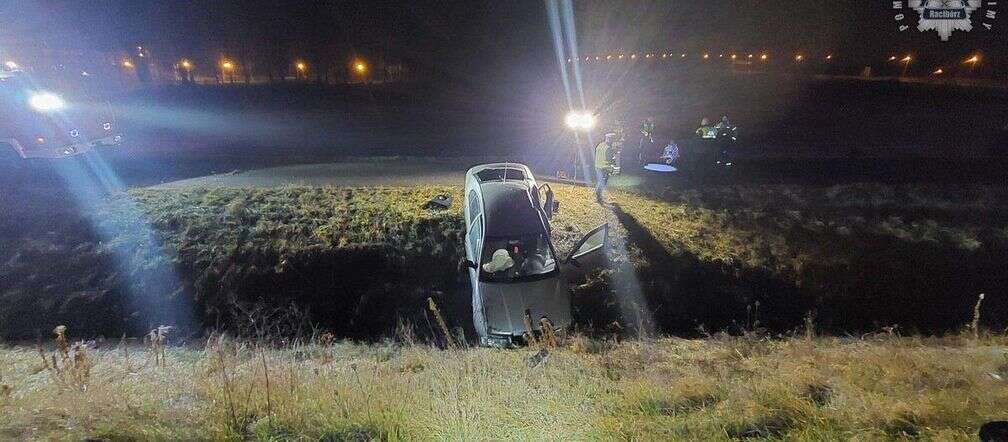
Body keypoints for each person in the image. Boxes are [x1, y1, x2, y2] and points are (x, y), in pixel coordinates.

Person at [594, 132, 617, 204]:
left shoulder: (600, 145)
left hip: (597, 165)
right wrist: (614, 159)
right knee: (602, 182)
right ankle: (598, 197)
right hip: (604, 167)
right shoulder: (609, 148)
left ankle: (598, 196)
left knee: (599, 181)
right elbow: (609, 159)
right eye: (613, 139)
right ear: (611, 140)